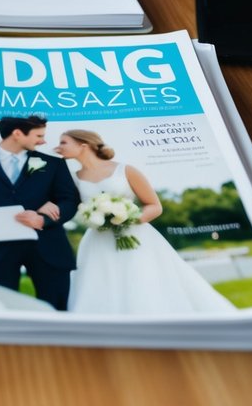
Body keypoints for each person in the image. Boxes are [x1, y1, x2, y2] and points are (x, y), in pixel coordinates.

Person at [52, 129, 236, 315]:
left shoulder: (125, 170)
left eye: (63, 142)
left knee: (141, 280)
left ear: (83, 144)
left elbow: (154, 206)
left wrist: (128, 218)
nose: (57, 147)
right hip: (98, 242)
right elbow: (67, 207)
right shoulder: (71, 179)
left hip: (137, 236)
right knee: (101, 283)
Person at [0, 115, 79, 310]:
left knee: (57, 309)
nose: (43, 141)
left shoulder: (54, 164)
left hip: (48, 247)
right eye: (39, 135)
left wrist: (42, 220)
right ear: (17, 134)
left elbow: (70, 201)